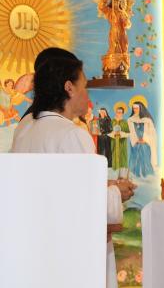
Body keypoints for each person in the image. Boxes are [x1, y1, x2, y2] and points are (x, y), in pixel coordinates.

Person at [10, 47, 136, 288]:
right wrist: (116, 193)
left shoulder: (25, 126)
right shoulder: (72, 134)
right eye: (84, 86)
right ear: (69, 88)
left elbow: (51, 187)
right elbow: (87, 203)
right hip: (69, 251)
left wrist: (105, 186)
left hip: (35, 246)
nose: (86, 94)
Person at [128, 101, 157, 178]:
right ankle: (135, 176)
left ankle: (147, 176)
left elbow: (152, 133)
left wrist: (145, 139)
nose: (135, 110)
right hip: (135, 144)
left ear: (141, 109)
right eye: (133, 108)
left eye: (137, 108)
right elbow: (131, 132)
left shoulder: (147, 120)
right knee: (135, 160)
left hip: (145, 144)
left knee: (145, 160)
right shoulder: (130, 120)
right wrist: (136, 140)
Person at [110, 104, 130, 177]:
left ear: (123, 113)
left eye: (120, 112)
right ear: (115, 112)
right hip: (114, 143)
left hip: (122, 143)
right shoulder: (112, 121)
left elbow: (128, 133)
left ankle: (122, 177)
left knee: (122, 159)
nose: (118, 113)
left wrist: (121, 134)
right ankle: (114, 177)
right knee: (113, 158)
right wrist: (113, 134)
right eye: (117, 112)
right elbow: (109, 131)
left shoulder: (124, 122)